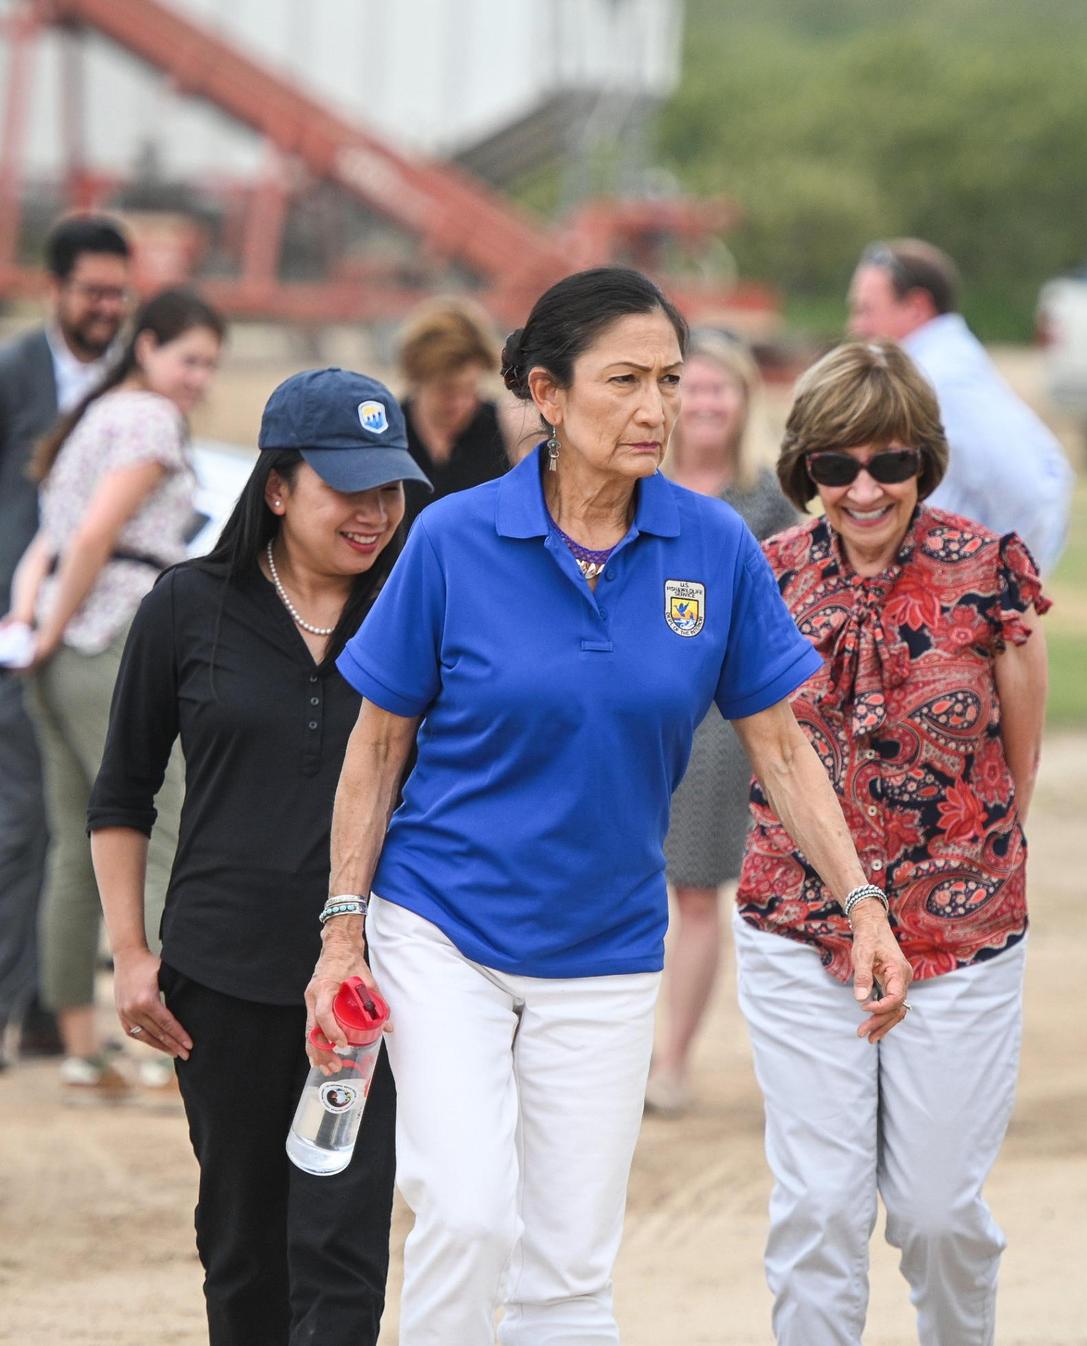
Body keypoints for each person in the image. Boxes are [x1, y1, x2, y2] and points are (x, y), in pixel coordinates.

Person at [306, 267, 912, 1346]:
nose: (656, 409)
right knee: (470, 1210)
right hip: (441, 925)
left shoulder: (713, 546)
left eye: (671, 380)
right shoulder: (451, 538)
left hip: (609, 950)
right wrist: (342, 929)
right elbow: (375, 746)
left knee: (572, 1270)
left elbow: (781, 746)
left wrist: (863, 899)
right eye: (624, 380)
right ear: (546, 392)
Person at [88, 368, 427, 1345]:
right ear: (277, 486)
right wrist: (130, 951)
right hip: (222, 979)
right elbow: (122, 792)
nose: (374, 512)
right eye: (346, 487)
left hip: (368, 984)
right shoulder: (185, 606)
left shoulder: (415, 613)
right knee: (242, 1246)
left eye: (390, 488)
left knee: (344, 1248)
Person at [735, 340, 1049, 1346]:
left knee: (935, 1212)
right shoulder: (763, 575)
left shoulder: (989, 569)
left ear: (927, 459)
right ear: (804, 468)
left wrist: (952, 879)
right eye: (837, 465)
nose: (865, 488)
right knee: (820, 1206)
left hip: (962, 934)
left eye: (891, 462)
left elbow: (1020, 756)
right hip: (794, 924)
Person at [6, 287, 224, 1096]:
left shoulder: (93, 418)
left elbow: (49, 542)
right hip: (117, 638)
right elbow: (97, 534)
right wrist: (63, 627)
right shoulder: (150, 420)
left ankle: (77, 1043)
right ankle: (163, 1045)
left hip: (59, 649)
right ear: (148, 348)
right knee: (162, 826)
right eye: (190, 358)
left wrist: (34, 626)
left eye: (210, 363)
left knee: (75, 843)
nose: (199, 377)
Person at [646, 331, 798, 1114]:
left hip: (720, 715)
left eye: (720, 390)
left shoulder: (770, 503)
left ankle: (671, 1059)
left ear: (744, 401)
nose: (705, 404)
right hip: (631, 707)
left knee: (696, 888)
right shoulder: (637, 487)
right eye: (692, 388)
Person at [0, 214, 132, 1067]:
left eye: (120, 292)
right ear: (56, 290)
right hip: (18, 626)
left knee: (75, 823)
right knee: (19, 823)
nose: (107, 307)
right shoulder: (14, 372)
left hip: (102, 634)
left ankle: (52, 1009)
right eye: (92, 291)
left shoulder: (132, 375)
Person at [848, 237, 1073, 573]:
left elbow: (1031, 492)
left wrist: (1003, 590)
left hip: (954, 602)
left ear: (916, 306)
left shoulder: (943, 379)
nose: (856, 326)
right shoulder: (938, 369)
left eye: (866, 310)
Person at [397, 295, 511, 534]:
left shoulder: (506, 432)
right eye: (446, 390)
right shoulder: (389, 432)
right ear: (418, 378)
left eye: (470, 389)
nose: (461, 403)